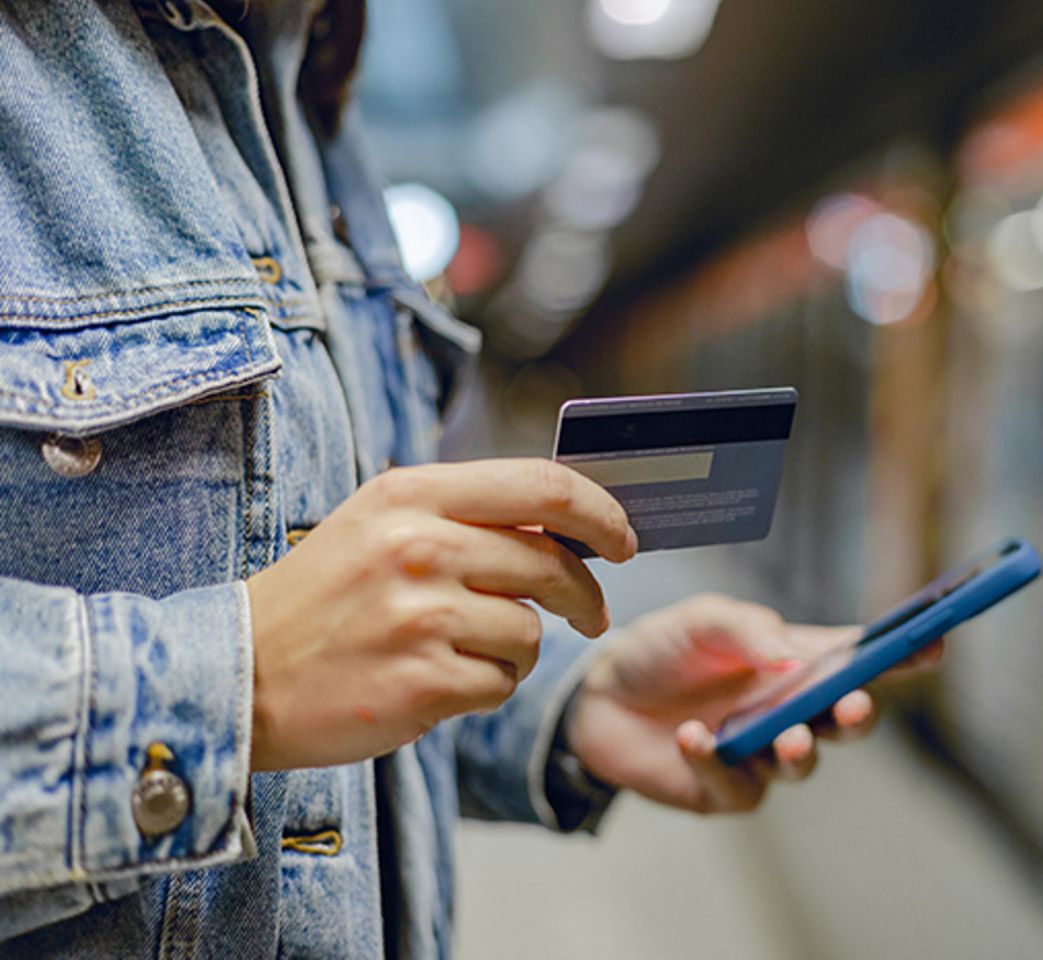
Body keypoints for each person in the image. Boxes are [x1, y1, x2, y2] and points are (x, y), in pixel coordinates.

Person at [0, 1, 941, 957]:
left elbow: (336, 675)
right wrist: (228, 689)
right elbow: (282, 665)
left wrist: (571, 704)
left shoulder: (306, 112)